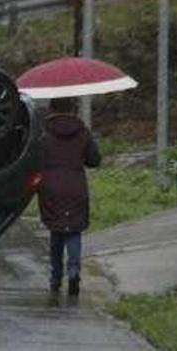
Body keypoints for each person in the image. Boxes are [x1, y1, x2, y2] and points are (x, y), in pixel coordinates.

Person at [38, 97, 101, 297]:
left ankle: (56, 277)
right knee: (74, 230)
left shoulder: (44, 132)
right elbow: (94, 160)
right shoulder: (82, 132)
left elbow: (35, 158)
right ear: (73, 108)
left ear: (51, 108)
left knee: (56, 231)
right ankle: (74, 271)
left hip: (51, 185)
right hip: (76, 185)